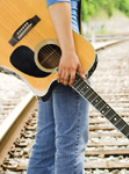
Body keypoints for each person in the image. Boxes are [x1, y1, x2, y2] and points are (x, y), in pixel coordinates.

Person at [27, 0, 89, 173]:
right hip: (63, 52)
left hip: (45, 49)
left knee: (46, 143)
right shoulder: (66, 53)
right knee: (70, 146)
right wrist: (68, 52)